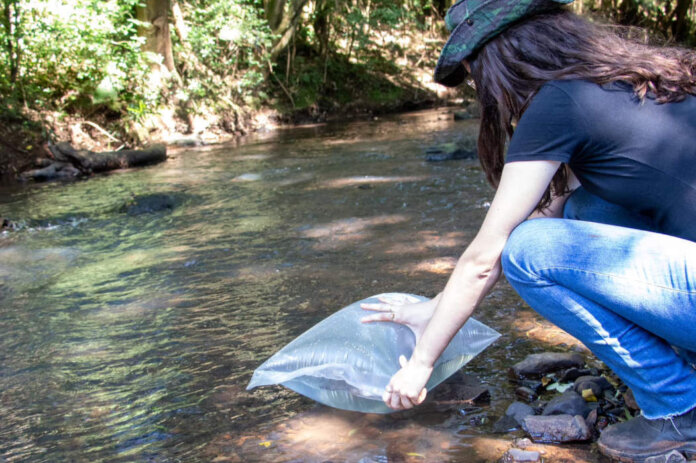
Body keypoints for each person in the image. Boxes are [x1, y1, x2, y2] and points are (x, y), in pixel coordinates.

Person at [359, 0, 696, 461]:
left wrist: (420, 365)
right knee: (583, 208)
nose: (481, 91)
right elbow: (550, 213)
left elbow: (491, 256)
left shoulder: (559, 103)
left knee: (527, 253)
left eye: (477, 76)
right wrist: (434, 312)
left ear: (502, 57)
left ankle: (680, 404)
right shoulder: (628, 77)